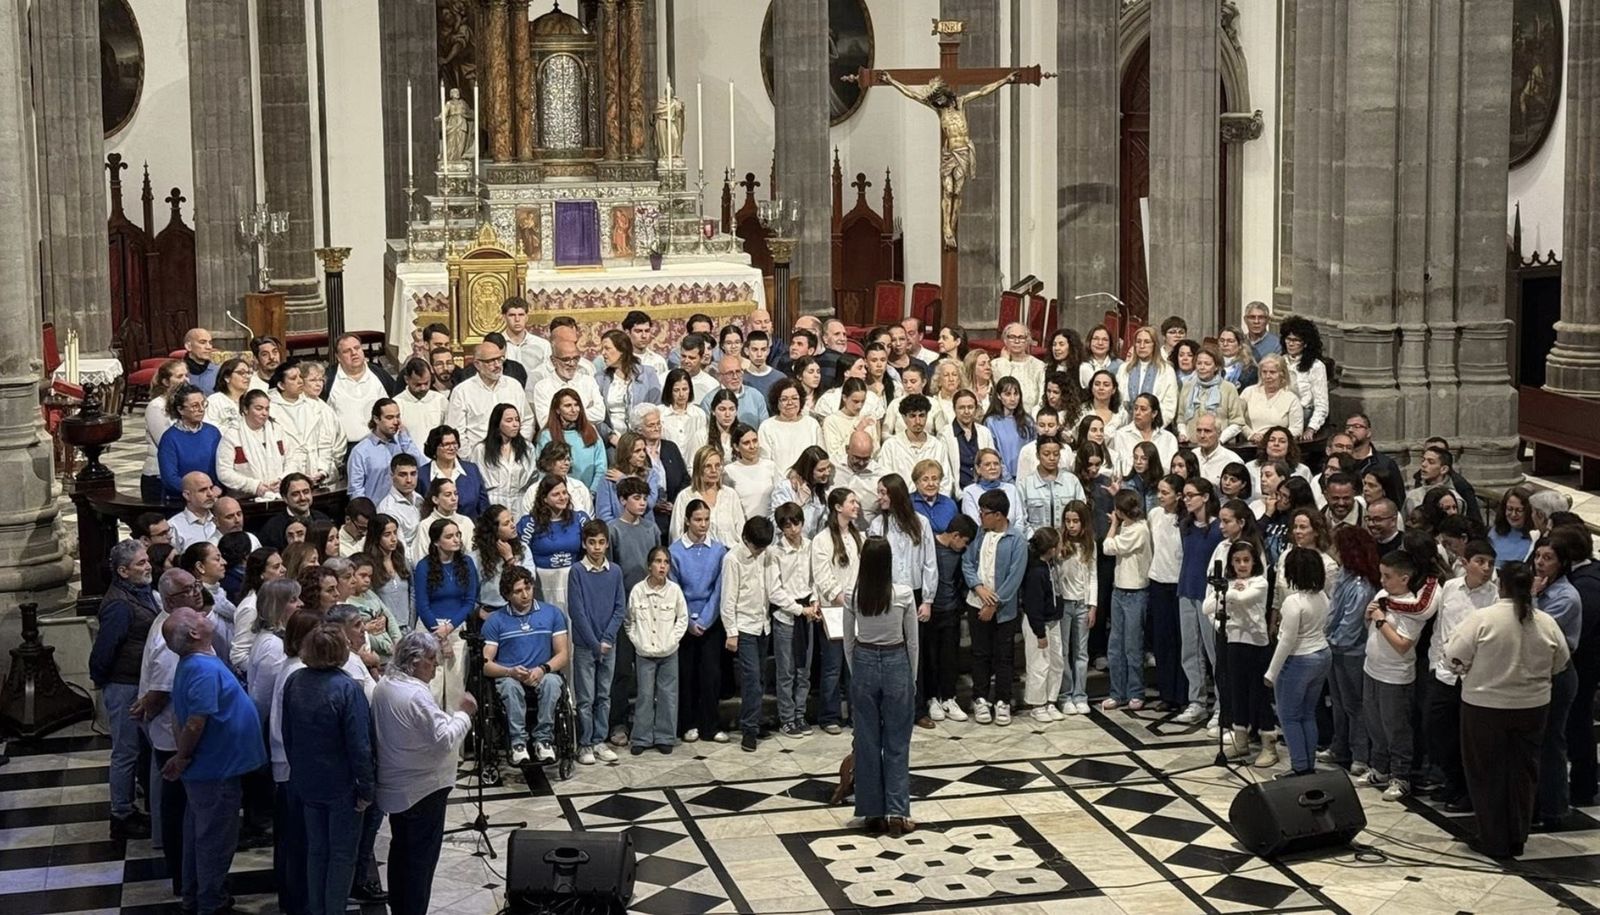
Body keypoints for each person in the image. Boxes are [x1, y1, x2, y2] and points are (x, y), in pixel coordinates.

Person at [162, 607, 266, 915]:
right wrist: (182, 757)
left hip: (214, 766)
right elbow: (195, 721)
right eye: (195, 615)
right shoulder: (202, 669)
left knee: (203, 835)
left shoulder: (197, 663)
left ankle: (198, 896)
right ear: (194, 633)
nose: (202, 613)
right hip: (214, 769)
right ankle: (212, 902)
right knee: (214, 841)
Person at [373, 631, 475, 915]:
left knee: (401, 852)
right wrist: (464, 714)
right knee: (420, 862)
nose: (435, 666)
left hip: (398, 785)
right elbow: (443, 739)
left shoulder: (386, 683)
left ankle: (401, 907)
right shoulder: (415, 695)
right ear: (415, 661)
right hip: (422, 790)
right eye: (431, 660)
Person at [280, 623, 374, 915]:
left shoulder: (295, 681)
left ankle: (317, 908)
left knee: (317, 850)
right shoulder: (346, 687)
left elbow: (287, 732)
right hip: (341, 784)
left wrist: (298, 770)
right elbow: (360, 745)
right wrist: (367, 788)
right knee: (342, 854)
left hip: (307, 779)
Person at [90, 540, 159, 840]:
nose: (148, 567)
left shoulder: (141, 593)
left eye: (147, 561)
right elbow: (104, 651)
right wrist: (104, 681)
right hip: (124, 684)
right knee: (125, 751)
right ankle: (121, 813)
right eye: (141, 564)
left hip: (138, 682)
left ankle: (135, 804)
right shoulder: (119, 604)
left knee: (140, 748)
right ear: (123, 571)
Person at [1426, 539, 1499, 809]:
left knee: (1469, 738)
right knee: (1439, 734)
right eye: (1480, 561)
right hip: (1444, 673)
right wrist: (1435, 663)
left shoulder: (1495, 596)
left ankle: (1469, 791)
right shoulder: (1450, 587)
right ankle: (1453, 782)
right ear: (1465, 563)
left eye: (1491, 563)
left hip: (1474, 678)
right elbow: (1440, 627)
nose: (1486, 568)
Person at [1361, 551, 1439, 800]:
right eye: (1381, 575)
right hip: (1371, 668)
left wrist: (1382, 620)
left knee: (1396, 729)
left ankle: (1400, 776)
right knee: (1375, 724)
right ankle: (1379, 768)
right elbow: (1370, 626)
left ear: (1404, 578)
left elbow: (1403, 644)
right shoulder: (1383, 596)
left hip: (1395, 676)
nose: (1382, 581)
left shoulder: (1410, 607)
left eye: (1388, 576)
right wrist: (1368, 616)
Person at [483, 565, 569, 765]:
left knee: (552, 683)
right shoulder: (496, 621)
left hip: (542, 671)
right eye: (518, 591)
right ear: (507, 594)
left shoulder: (552, 614)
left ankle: (544, 740)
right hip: (510, 674)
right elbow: (486, 663)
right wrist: (509, 671)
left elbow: (563, 655)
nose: (525, 594)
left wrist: (543, 669)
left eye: (528, 588)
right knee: (509, 687)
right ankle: (518, 743)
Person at [963, 489, 1027, 727]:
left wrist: (994, 603)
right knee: (980, 653)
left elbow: (1014, 577)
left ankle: (1003, 700)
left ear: (998, 515)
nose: (980, 517)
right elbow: (968, 563)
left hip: (1003, 610)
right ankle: (980, 698)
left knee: (1003, 656)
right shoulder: (979, 534)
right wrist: (978, 588)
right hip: (976, 603)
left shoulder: (1016, 540)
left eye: (984, 513)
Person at [1266, 548, 1332, 776]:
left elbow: (1286, 641)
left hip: (1299, 659)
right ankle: (1308, 764)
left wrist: (1271, 673)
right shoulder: (1322, 596)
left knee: (1290, 716)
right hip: (1322, 654)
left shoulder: (1294, 602)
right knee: (1307, 713)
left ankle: (1299, 766)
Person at [567, 520, 626, 764]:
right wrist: (594, 643)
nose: (597, 547)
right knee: (585, 698)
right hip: (585, 645)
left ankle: (600, 739)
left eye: (601, 542)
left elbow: (619, 607)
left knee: (604, 695)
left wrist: (608, 638)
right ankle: (585, 743)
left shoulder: (615, 572)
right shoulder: (577, 572)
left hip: (607, 644)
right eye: (592, 542)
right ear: (584, 544)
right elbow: (577, 611)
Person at [721, 516, 782, 751]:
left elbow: (771, 589)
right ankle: (748, 729)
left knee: (761, 679)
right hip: (744, 627)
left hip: (762, 625)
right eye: (757, 547)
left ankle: (755, 721)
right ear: (746, 539)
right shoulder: (733, 559)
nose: (759, 552)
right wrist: (731, 632)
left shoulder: (766, 555)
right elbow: (728, 599)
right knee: (751, 680)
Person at [672, 500, 730, 742]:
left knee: (711, 675)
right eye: (698, 519)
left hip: (710, 620)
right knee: (687, 675)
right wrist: (688, 622)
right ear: (687, 520)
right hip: (684, 621)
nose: (703, 524)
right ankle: (688, 724)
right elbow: (675, 589)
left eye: (706, 519)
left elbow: (719, 589)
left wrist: (705, 619)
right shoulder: (674, 551)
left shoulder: (718, 550)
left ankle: (711, 726)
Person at [625, 547, 689, 754]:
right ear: (649, 565)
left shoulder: (674, 591)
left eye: (666, 562)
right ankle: (641, 737)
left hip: (668, 651)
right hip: (645, 653)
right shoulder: (638, 591)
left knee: (668, 695)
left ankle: (665, 736)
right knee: (644, 695)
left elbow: (682, 619)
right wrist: (638, 642)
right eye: (658, 561)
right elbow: (629, 621)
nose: (662, 566)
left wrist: (672, 640)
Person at [414, 518, 481, 706]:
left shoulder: (466, 563)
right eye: (450, 536)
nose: (456, 540)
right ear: (436, 542)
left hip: (457, 627)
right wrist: (441, 636)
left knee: (455, 687)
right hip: (430, 629)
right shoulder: (423, 566)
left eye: (458, 535)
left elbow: (469, 601)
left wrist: (450, 628)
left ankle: (455, 733)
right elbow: (422, 605)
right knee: (432, 686)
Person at [1101, 490, 1153, 711]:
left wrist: (1112, 525)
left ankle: (1135, 691)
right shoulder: (1127, 527)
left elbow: (1108, 547)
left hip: (1135, 593)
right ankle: (1117, 692)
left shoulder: (1140, 529)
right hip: (1119, 591)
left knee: (1132, 646)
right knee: (1115, 646)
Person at [271, 360, 344, 486]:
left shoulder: (314, 407)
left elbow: (325, 442)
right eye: (294, 378)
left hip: (317, 474)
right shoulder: (271, 409)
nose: (300, 381)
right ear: (281, 385)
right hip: (285, 477)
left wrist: (323, 470)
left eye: (300, 377)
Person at [1019, 527, 1064, 723]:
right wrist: (1040, 633)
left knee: (1056, 662)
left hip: (1053, 621)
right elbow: (1033, 605)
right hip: (1038, 625)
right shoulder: (1036, 572)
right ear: (1052, 549)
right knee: (1039, 664)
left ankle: (1051, 700)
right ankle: (1037, 704)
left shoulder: (1051, 565)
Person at [326, 333, 401, 443]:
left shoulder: (379, 374)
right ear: (338, 357)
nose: (354, 353)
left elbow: (398, 402)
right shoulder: (328, 379)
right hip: (345, 449)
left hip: (380, 444)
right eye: (347, 351)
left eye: (357, 348)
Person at [347, 399, 423, 504]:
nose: (396, 422)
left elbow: (420, 465)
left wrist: (405, 439)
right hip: (376, 512)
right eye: (389, 418)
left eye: (398, 416)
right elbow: (356, 490)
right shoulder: (360, 451)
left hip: (404, 508)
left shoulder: (403, 443)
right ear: (376, 419)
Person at [158, 384, 223, 501]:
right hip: (182, 500)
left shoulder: (213, 432)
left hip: (213, 496)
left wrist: (218, 486)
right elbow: (170, 478)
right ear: (180, 409)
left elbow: (222, 464)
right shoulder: (170, 438)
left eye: (203, 404)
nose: (201, 409)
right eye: (195, 406)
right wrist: (199, 492)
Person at [476, 403, 538, 518]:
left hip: (520, 504)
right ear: (497, 423)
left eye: (517, 420)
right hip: (493, 504)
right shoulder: (482, 449)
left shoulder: (528, 448)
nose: (515, 424)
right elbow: (477, 483)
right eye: (509, 420)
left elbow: (533, 479)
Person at [417, 424, 489, 520]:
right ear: (434, 447)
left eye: (454, 443)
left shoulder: (471, 470)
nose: (452, 448)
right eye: (446, 444)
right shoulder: (422, 475)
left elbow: (483, 505)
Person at [1116, 326, 1179, 427]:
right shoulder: (1124, 368)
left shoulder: (1166, 370)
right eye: (1138, 341)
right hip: (1126, 427)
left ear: (1154, 345)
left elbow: (1169, 406)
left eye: (1147, 342)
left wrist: (1151, 428)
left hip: (1155, 429)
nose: (1142, 346)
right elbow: (1118, 401)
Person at [1279, 317, 1329, 441]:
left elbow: (1321, 404)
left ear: (1305, 343)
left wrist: (1311, 428)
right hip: (1280, 411)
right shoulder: (1280, 361)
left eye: (1296, 340)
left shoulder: (1316, 366)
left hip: (1304, 413)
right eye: (1288, 339)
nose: (1291, 343)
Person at [377, 453, 428, 547]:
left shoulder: (419, 498)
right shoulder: (388, 509)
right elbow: (399, 549)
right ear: (392, 476)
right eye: (403, 475)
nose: (409, 480)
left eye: (413, 474)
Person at [181, 327, 219, 394]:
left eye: (210, 343)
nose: (209, 347)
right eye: (202, 342)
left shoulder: (218, 371)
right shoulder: (177, 372)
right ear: (188, 346)